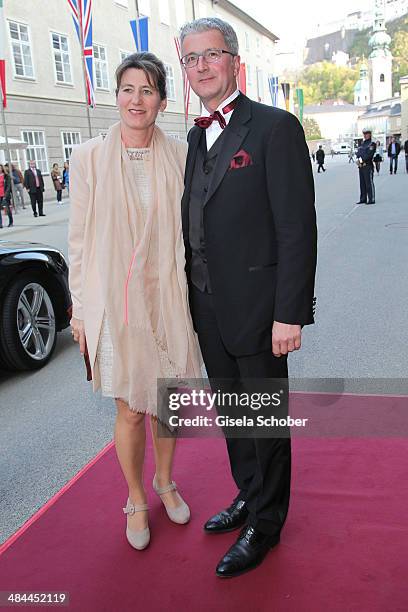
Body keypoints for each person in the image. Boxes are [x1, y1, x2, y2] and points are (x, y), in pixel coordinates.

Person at [180, 17, 317, 578]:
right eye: (190, 59)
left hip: (263, 312)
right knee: (235, 416)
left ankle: (268, 521)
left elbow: (296, 228)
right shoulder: (193, 136)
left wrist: (290, 312)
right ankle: (248, 493)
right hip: (208, 306)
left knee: (265, 419)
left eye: (210, 55)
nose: (201, 67)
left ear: (234, 61)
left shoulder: (275, 128)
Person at [68, 52, 202, 552]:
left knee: (167, 405)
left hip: (167, 296)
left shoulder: (181, 155)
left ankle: (165, 482)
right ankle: (135, 497)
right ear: (116, 96)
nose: (136, 99)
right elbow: (79, 240)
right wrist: (80, 311)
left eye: (147, 90)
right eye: (128, 88)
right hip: (115, 306)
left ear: (162, 101)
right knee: (128, 410)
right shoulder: (89, 158)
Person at [356, 128, 376, 205]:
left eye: (367, 134)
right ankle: (363, 198)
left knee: (369, 183)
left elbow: (369, 155)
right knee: (362, 183)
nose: (365, 135)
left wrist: (361, 160)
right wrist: (359, 161)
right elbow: (358, 153)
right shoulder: (362, 143)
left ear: (370, 134)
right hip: (361, 166)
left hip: (368, 165)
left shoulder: (372, 144)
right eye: (364, 134)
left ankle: (371, 198)